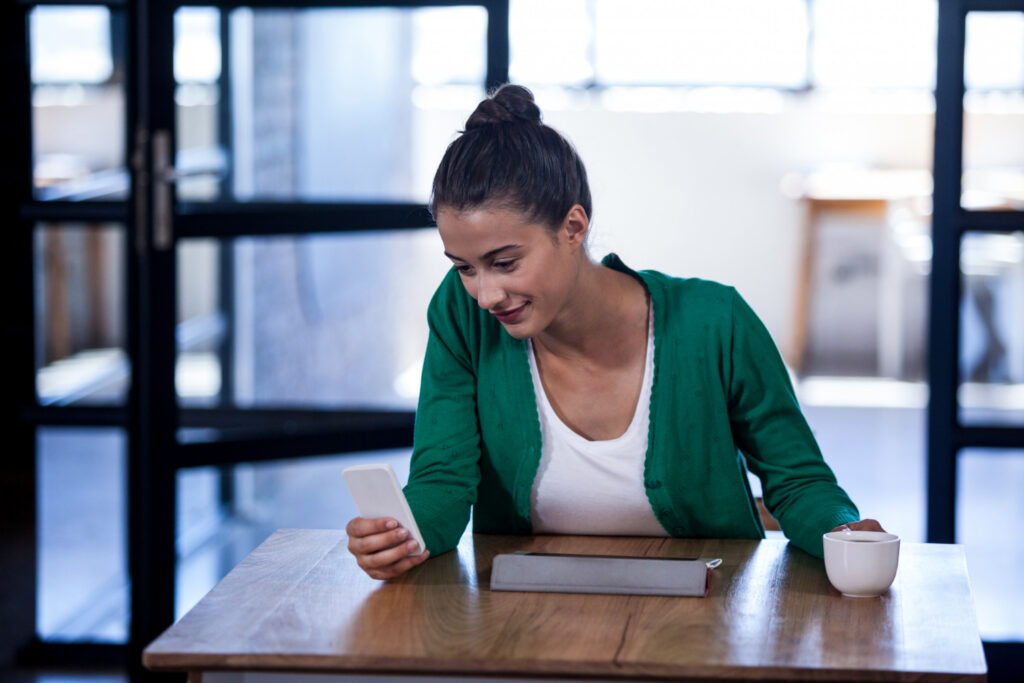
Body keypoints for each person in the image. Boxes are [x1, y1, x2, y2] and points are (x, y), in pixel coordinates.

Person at [346, 85, 882, 580]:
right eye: (464, 267)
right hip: (518, 622)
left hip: (704, 621)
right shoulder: (462, 316)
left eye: (505, 262)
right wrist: (401, 535)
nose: (485, 295)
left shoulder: (715, 322)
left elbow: (798, 480)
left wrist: (841, 531)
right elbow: (443, 480)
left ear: (573, 227)